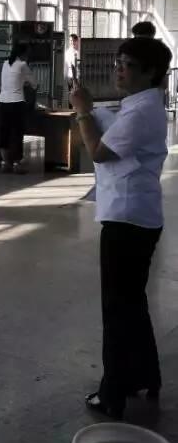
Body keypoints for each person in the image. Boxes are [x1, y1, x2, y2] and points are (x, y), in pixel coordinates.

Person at [71, 36, 172, 420]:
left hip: (126, 220)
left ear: (150, 72)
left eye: (127, 65)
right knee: (132, 303)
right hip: (136, 215)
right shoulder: (142, 105)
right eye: (118, 63)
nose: (118, 70)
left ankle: (112, 393)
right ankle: (144, 375)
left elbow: (99, 152)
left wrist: (83, 113)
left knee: (117, 309)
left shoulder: (141, 112)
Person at [0, 42, 37, 173]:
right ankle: (17, 164)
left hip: (3, 101)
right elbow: (35, 83)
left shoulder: (5, 63)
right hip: (17, 102)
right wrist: (27, 84)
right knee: (17, 133)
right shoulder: (23, 65)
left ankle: (5, 163)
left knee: (5, 132)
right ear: (23, 54)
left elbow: (7, 82)